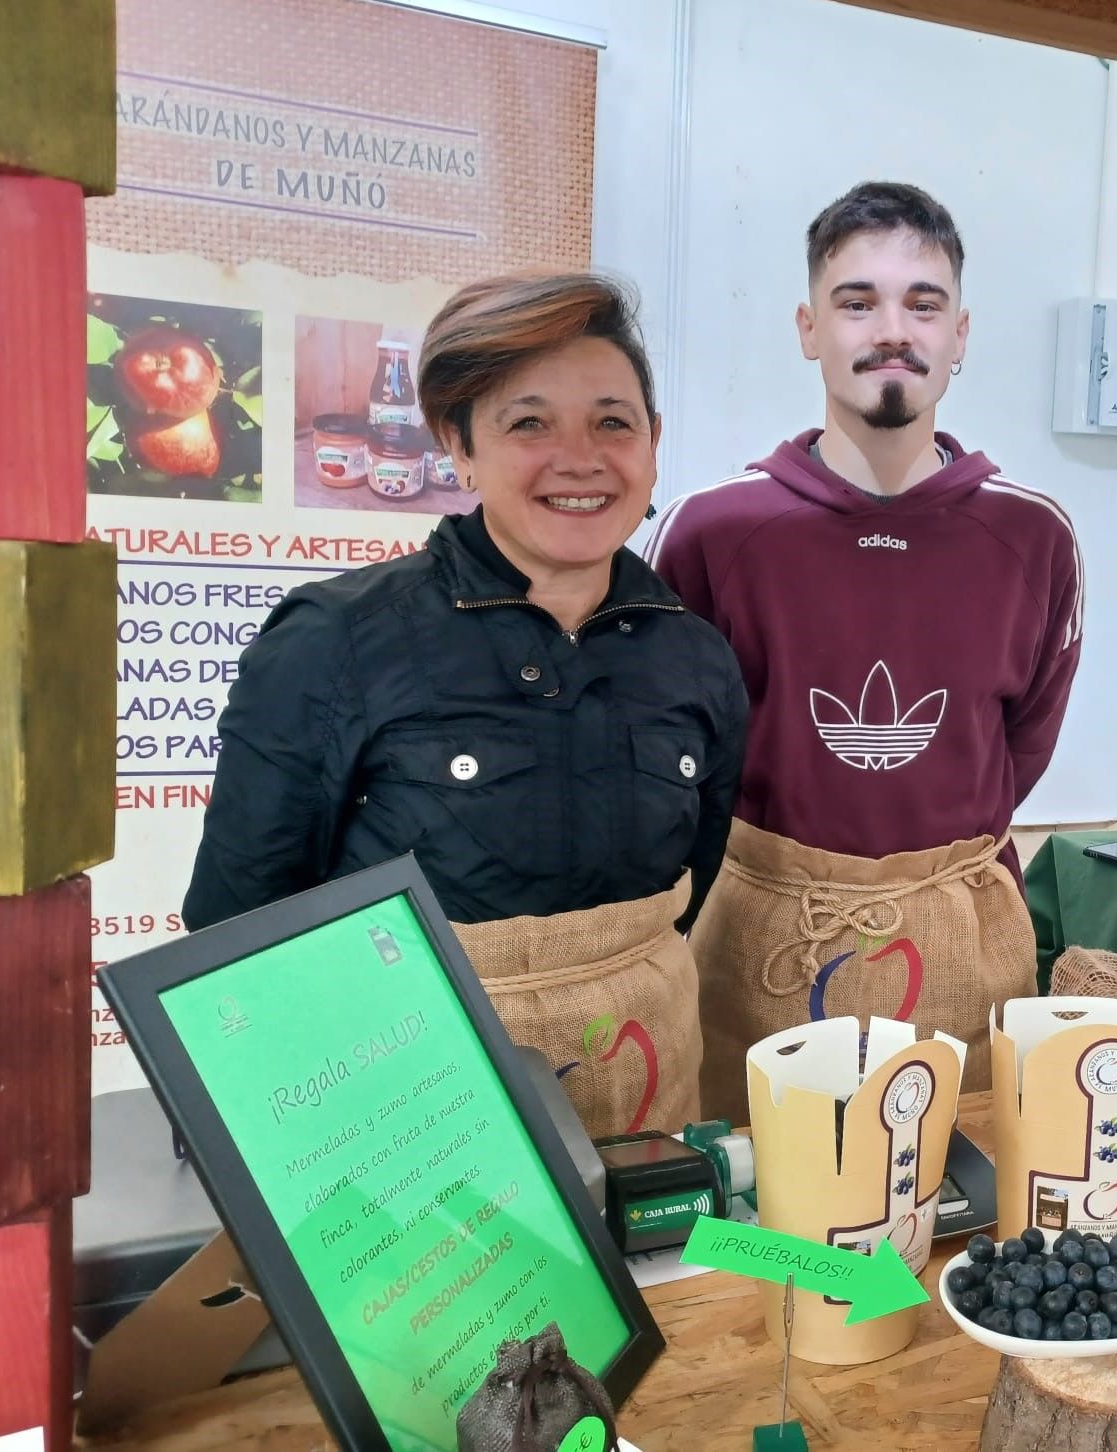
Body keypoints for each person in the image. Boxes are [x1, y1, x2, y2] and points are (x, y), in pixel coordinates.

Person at [183, 273, 748, 1134]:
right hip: (412, 1133)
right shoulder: (334, 639)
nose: (580, 458)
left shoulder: (698, 659)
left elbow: (693, 886)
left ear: (654, 442)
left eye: (613, 421)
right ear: (461, 447)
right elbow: (238, 928)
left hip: (647, 1106)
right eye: (528, 423)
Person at [649, 181, 1082, 1115]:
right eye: (858, 301)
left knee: (952, 1196)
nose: (893, 328)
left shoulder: (1032, 535)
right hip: (762, 931)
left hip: (959, 933)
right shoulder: (711, 533)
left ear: (959, 333)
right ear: (810, 328)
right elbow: (661, 741)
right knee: (768, 1215)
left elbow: (1025, 735)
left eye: (923, 303)